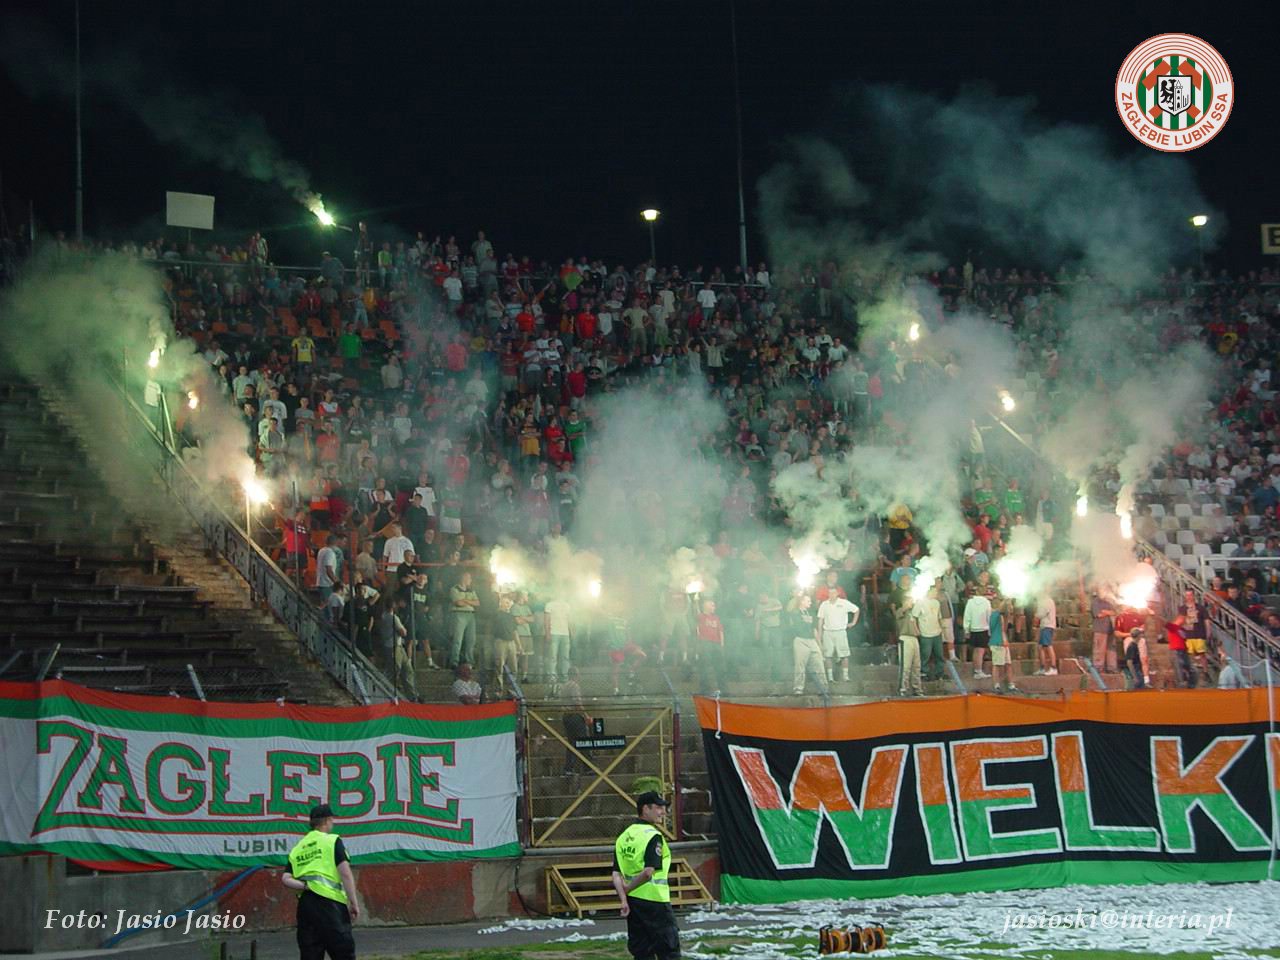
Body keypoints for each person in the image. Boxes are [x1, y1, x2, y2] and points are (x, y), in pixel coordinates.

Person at [282, 804, 359, 960]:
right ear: (327, 820)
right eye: (332, 820)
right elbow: (345, 873)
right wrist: (353, 902)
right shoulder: (332, 841)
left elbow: (285, 879)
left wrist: (305, 885)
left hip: (306, 905)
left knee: (310, 954)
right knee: (343, 952)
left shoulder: (299, 848)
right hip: (331, 905)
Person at [612, 792, 680, 960]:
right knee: (669, 950)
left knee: (642, 952)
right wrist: (629, 888)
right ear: (645, 809)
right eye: (658, 808)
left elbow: (616, 873)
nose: (663, 812)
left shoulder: (624, 837)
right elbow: (649, 872)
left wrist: (623, 899)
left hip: (633, 903)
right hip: (656, 901)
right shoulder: (653, 836)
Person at [815, 591, 859, 683]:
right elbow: (820, 619)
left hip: (840, 631)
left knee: (844, 654)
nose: (832, 594)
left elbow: (856, 610)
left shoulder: (843, 603)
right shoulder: (824, 604)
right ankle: (830, 678)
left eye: (834, 593)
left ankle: (845, 676)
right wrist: (820, 633)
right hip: (828, 632)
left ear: (837, 594)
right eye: (830, 593)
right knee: (828, 655)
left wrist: (853, 623)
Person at [786, 592, 824, 696]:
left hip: (812, 640)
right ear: (802, 602)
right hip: (800, 640)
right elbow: (790, 614)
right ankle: (798, 688)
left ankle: (823, 688)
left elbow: (814, 629)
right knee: (800, 665)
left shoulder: (811, 613)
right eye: (808, 601)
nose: (810, 602)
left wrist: (819, 644)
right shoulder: (795, 612)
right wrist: (797, 596)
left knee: (819, 664)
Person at [962, 588, 993, 679]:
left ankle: (977, 670)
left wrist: (966, 629)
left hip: (973, 629)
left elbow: (967, 616)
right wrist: (990, 630)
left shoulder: (970, 602)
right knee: (980, 651)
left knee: (976, 651)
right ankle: (978, 671)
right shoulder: (986, 602)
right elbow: (989, 616)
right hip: (983, 629)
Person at [1033, 593, 1058, 676]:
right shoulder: (1049, 601)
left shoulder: (1046, 601)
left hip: (1047, 626)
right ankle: (1042, 668)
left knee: (1048, 646)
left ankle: (1053, 667)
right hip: (1046, 626)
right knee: (1040, 647)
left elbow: (1040, 614)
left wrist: (1035, 619)